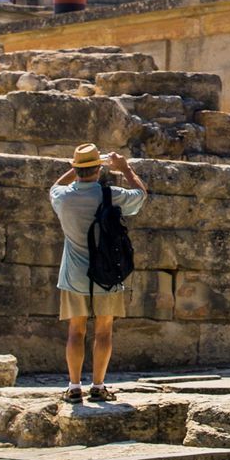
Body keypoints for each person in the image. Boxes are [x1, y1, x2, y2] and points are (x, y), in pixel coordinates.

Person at [50, 143, 148, 403]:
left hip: (73, 274)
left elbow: (54, 186)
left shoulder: (63, 197)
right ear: (98, 169)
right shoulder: (110, 194)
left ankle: (73, 386)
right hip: (107, 271)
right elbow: (141, 195)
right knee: (104, 331)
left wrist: (74, 168)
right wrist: (125, 168)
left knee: (76, 331)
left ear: (76, 168)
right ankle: (98, 385)